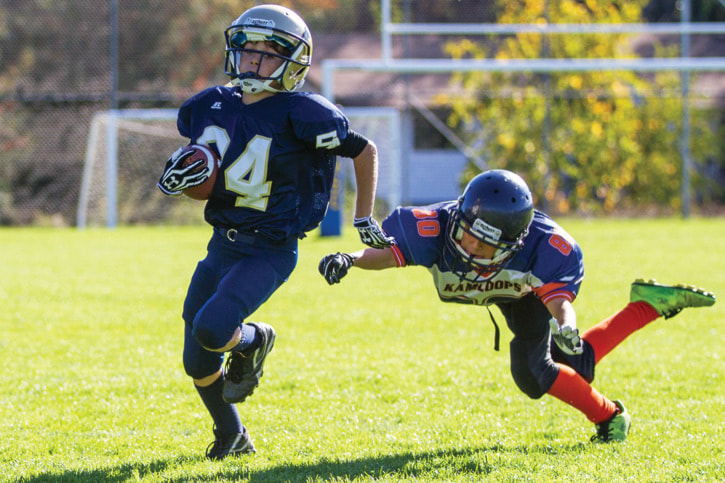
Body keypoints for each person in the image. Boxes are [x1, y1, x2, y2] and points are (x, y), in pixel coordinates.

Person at [318, 169, 716, 443]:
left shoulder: (545, 246)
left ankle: (611, 416)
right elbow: (390, 252)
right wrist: (350, 259)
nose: (468, 246)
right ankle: (645, 308)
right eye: (466, 233)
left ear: (513, 243)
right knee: (570, 363)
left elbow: (559, 300)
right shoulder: (436, 226)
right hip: (505, 291)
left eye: (483, 243)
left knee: (535, 373)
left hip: (524, 297)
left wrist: (566, 323)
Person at [157, 4, 394, 460]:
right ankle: (232, 435)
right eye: (248, 50)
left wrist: (364, 217)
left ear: (293, 62)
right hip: (221, 244)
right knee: (197, 359)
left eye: (268, 54)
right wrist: (192, 177)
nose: (253, 60)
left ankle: (255, 338)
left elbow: (364, 150)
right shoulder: (212, 105)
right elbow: (208, 190)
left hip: (270, 249)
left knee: (213, 327)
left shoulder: (303, 113)